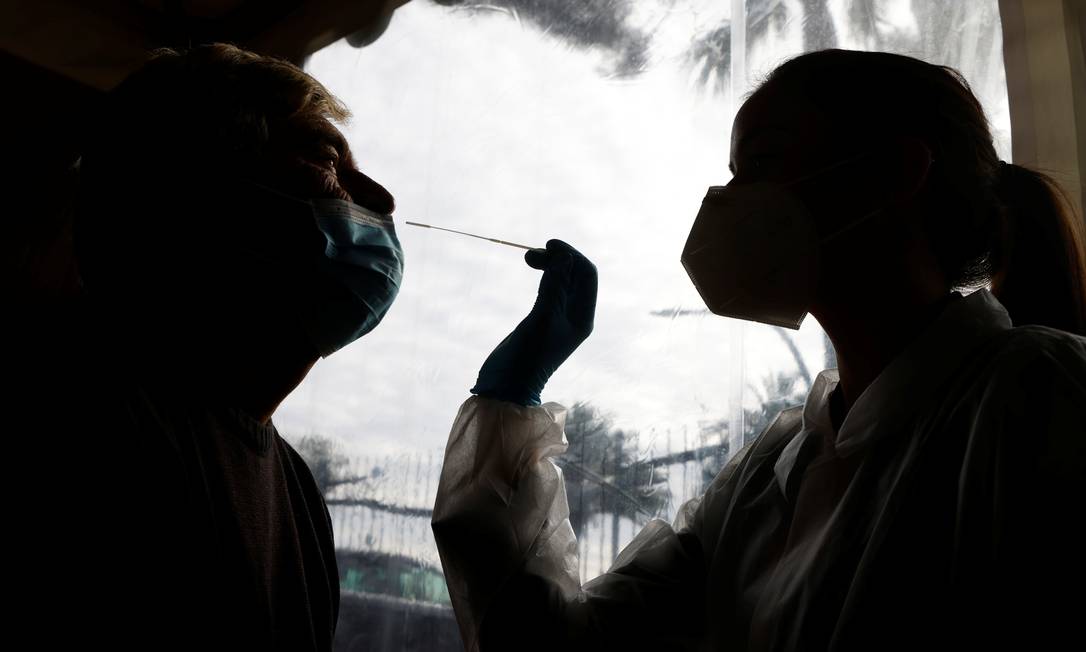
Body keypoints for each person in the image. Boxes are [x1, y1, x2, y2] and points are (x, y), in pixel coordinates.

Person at [431, 49, 1086, 651]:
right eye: (734, 174)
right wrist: (505, 409)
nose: (729, 203)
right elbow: (561, 645)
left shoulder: (1040, 394)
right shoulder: (769, 473)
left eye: (764, 164)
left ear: (895, 173)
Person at [8, 44, 402, 650]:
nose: (381, 198)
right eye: (326, 160)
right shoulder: (67, 414)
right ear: (200, 190)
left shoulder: (297, 491)